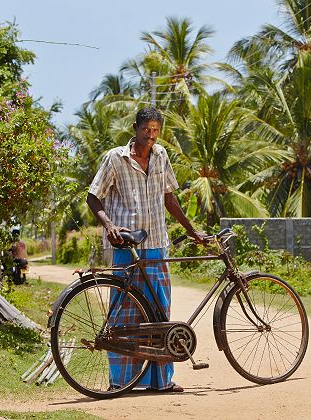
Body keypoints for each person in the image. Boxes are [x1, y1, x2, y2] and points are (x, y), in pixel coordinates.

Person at [87, 107, 206, 393]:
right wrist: (109, 226)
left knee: (159, 312)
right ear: (135, 128)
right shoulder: (116, 158)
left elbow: (169, 198)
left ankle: (160, 381)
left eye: (155, 130)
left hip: (156, 244)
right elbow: (93, 197)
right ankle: (122, 381)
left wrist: (192, 231)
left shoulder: (162, 155)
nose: (150, 136)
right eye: (146, 130)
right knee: (124, 315)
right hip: (126, 246)